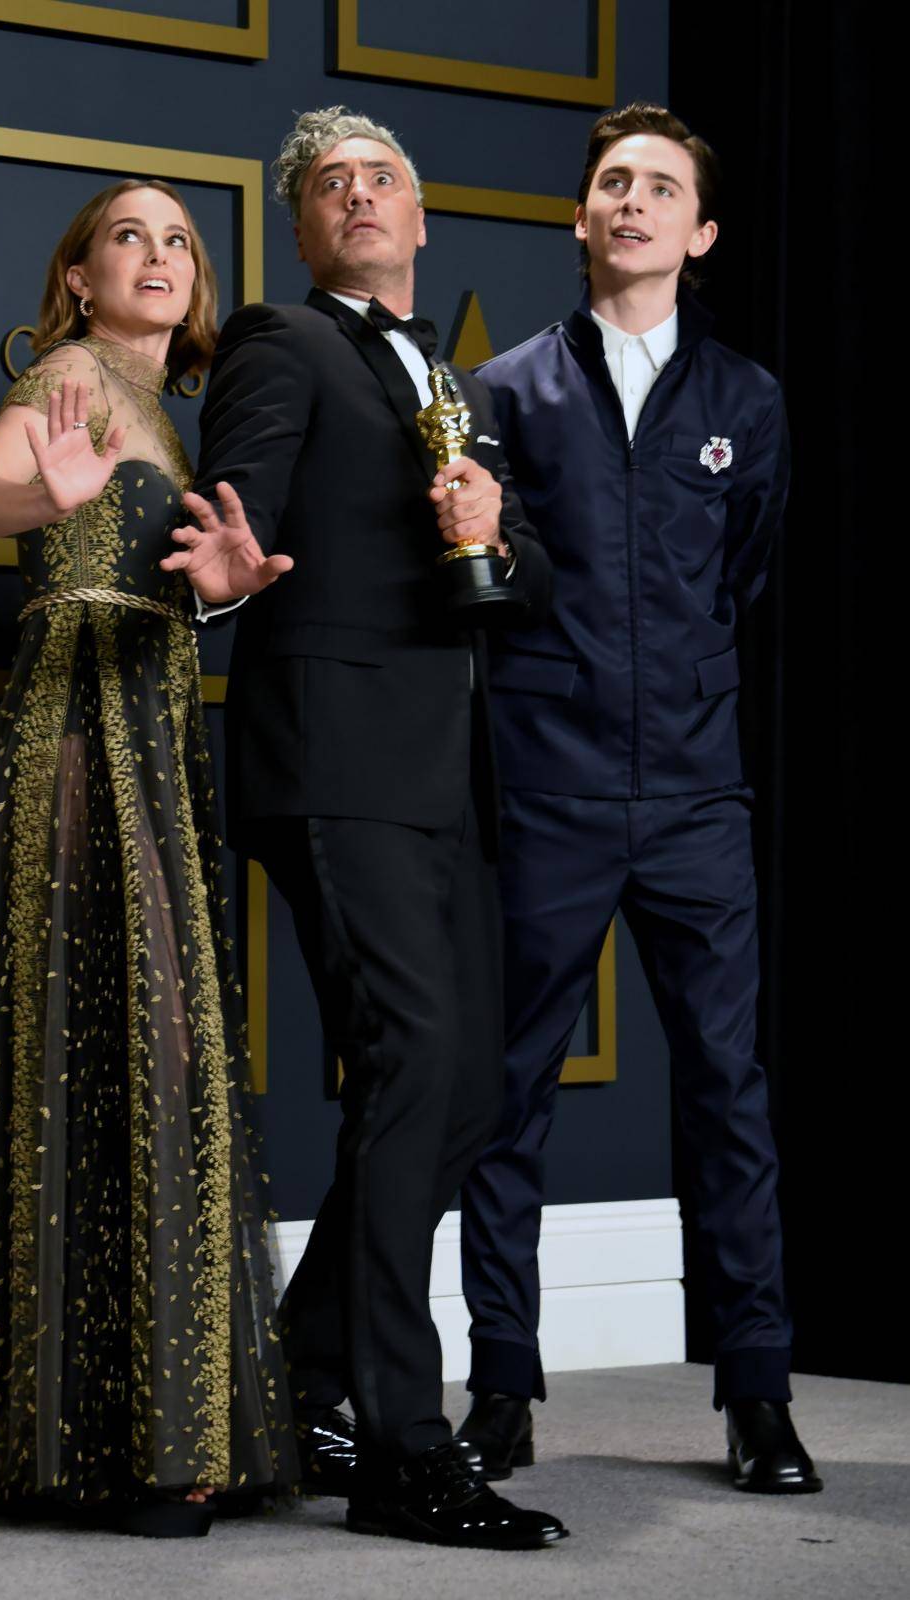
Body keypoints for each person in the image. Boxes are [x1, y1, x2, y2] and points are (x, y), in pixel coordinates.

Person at [161, 106, 567, 1552]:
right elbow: (241, 520)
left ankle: (302, 1378)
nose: (358, 196)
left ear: (416, 208)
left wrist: (492, 533)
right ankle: (404, 1447)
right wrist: (218, 579)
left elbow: (484, 584)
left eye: (379, 176)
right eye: (329, 185)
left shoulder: (441, 375)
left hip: (444, 777)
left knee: (463, 1095)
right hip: (335, 764)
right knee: (414, 1065)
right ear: (304, 223)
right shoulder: (281, 342)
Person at [0, 177, 297, 1536]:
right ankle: (129, 1445)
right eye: (127, 234)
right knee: (121, 1052)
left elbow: (166, 572)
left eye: (179, 239)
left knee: (138, 1054)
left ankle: (138, 1428)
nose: (158, 254)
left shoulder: (170, 414)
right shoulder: (72, 379)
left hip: (148, 722)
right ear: (76, 276)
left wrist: (227, 592)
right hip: (81, 727)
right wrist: (44, 486)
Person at [456, 102, 822, 1495]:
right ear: (580, 217)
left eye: (659, 188)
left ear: (700, 232)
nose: (631, 203)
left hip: (693, 798)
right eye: (611, 183)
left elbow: (746, 575)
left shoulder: (748, 403)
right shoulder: (503, 390)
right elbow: (490, 578)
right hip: (544, 789)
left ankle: (759, 1395)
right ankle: (502, 1390)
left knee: (728, 1093)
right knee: (508, 1099)